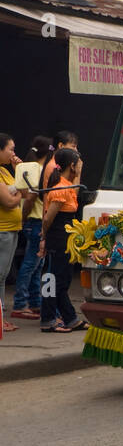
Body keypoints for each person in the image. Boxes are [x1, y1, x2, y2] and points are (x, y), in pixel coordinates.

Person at [38, 147, 87, 333]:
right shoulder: (60, 189)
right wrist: (44, 239)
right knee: (52, 281)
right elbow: (47, 219)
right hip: (57, 242)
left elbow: (75, 187)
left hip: (64, 242)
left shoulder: (67, 185)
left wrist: (79, 171)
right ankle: (48, 319)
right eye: (78, 164)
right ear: (71, 165)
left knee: (62, 281)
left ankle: (70, 318)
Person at [11, 136, 53, 319]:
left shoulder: (26, 167)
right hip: (36, 221)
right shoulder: (38, 170)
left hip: (32, 222)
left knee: (37, 264)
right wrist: (24, 217)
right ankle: (20, 304)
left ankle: (35, 302)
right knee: (31, 264)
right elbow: (30, 198)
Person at [0, 134, 23, 331]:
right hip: (3, 230)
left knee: (4, 275)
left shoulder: (5, 172)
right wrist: (19, 194)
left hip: (12, 230)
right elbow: (8, 202)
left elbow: (21, 191)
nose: (13, 153)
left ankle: (1, 317)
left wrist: (18, 172)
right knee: (0, 275)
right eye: (10, 148)